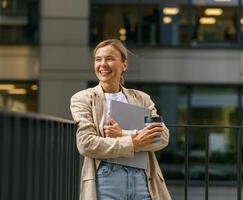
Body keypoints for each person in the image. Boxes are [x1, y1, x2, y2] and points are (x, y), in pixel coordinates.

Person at [70, 39, 171, 200]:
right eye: (98, 59)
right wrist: (135, 142)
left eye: (109, 58)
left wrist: (122, 133)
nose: (103, 64)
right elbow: (86, 144)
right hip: (106, 179)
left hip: (143, 179)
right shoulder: (83, 98)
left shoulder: (142, 98)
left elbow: (162, 137)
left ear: (124, 65)